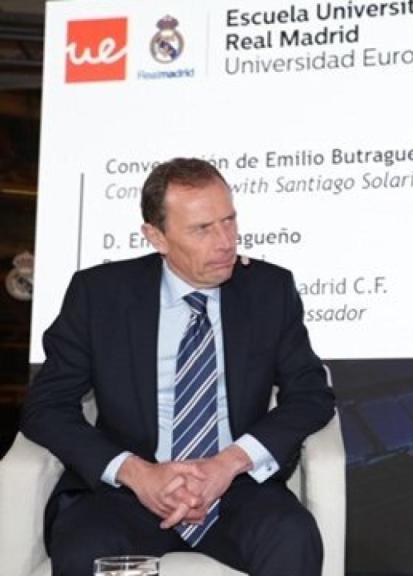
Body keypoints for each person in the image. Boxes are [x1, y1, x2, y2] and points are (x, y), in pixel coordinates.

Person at [21, 158, 336, 576]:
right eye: (202, 229)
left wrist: (229, 463)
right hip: (127, 493)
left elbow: (311, 395)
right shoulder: (100, 295)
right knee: (84, 548)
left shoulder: (268, 289)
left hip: (235, 489)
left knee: (292, 537)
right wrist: (135, 472)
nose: (225, 241)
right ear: (157, 237)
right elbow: (46, 407)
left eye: (229, 221)